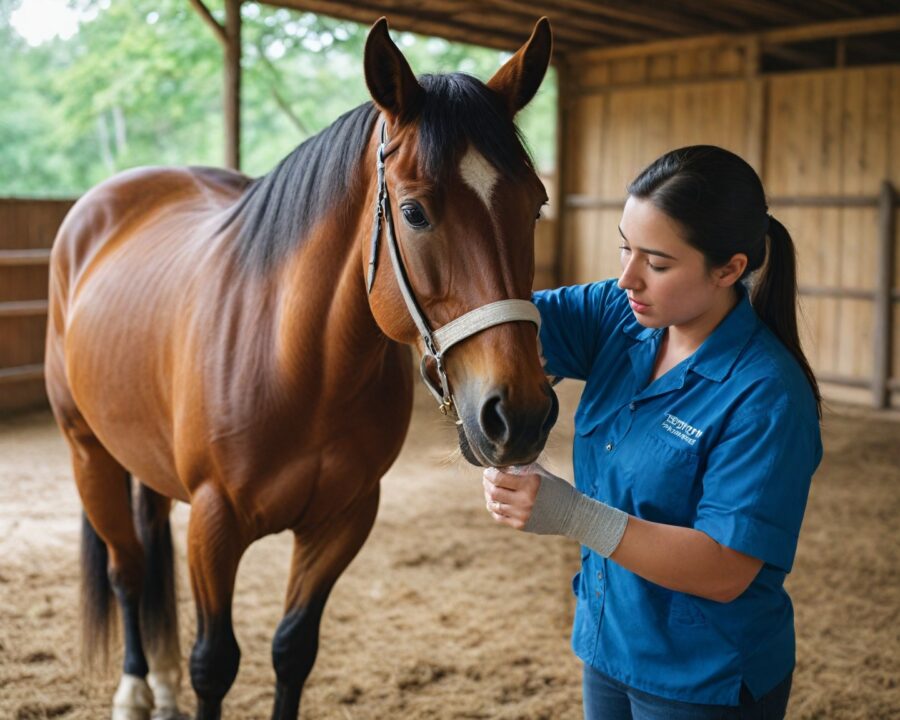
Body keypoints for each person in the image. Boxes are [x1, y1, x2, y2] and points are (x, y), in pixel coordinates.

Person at [482, 145, 823, 719]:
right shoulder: (621, 315)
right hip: (609, 643)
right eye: (625, 247)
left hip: (704, 676)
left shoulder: (765, 396)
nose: (627, 278)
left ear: (730, 269)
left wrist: (571, 514)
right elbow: (499, 322)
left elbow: (724, 570)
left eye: (657, 264)